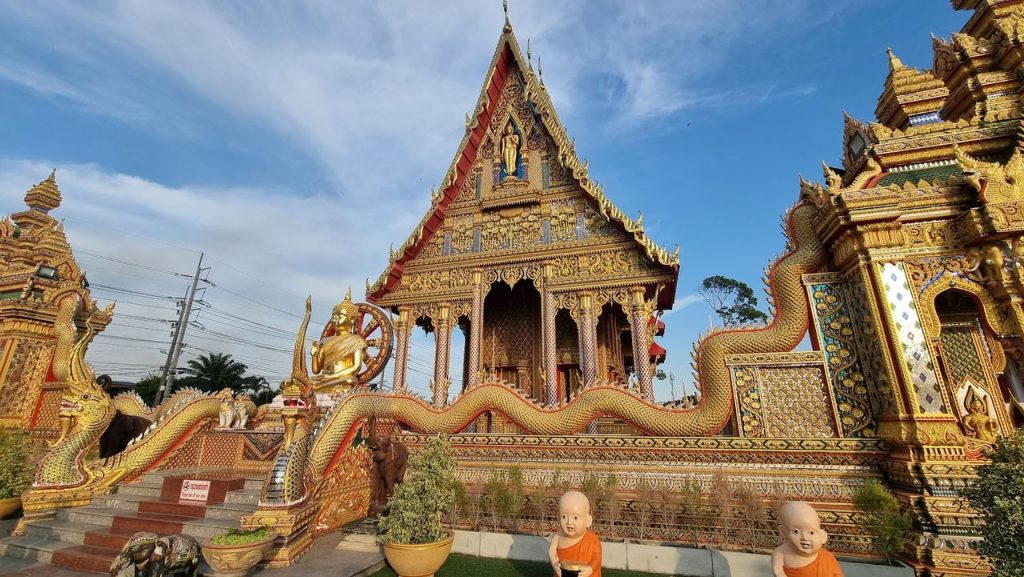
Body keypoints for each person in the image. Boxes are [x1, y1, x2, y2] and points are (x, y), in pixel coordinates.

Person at [311, 288, 367, 393]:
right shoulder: (325, 341)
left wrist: (333, 376)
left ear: (352, 320)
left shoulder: (356, 341)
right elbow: (316, 370)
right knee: (306, 382)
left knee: (350, 380)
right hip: (324, 378)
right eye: (333, 317)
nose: (335, 320)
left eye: (340, 316)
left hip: (342, 379)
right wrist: (314, 355)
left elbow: (356, 367)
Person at [772, 501, 843, 577]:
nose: (804, 538)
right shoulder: (780, 553)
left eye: (811, 533)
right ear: (784, 532)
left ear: (822, 536)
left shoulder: (827, 558)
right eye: (796, 532)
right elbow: (778, 573)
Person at [548, 490, 601, 577]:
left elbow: (597, 558)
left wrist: (590, 569)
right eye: (564, 517)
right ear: (558, 517)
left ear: (588, 521)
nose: (569, 522)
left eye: (575, 518)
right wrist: (554, 564)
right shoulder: (557, 537)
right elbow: (552, 552)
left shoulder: (592, 540)